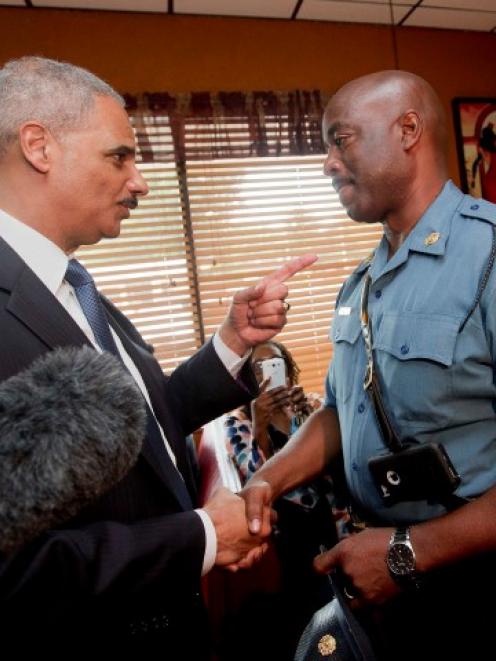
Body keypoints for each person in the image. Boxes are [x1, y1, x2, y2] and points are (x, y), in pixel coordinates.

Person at [0, 56, 316, 657]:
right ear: (39, 147)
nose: (140, 180)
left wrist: (232, 340)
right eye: (118, 156)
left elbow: (140, 426)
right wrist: (198, 536)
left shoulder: (72, 284)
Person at [240, 70, 496, 661]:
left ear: (408, 130)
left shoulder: (487, 258)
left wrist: (408, 552)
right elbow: (339, 413)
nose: (327, 163)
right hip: (380, 577)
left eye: (341, 139)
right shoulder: (361, 284)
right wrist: (264, 481)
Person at [222, 340, 336, 660]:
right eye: (257, 368)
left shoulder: (308, 406)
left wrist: (308, 419)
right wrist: (260, 429)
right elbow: (255, 484)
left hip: (323, 510)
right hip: (282, 520)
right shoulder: (238, 421)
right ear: (246, 377)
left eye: (275, 364)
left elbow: (330, 474)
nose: (267, 373)